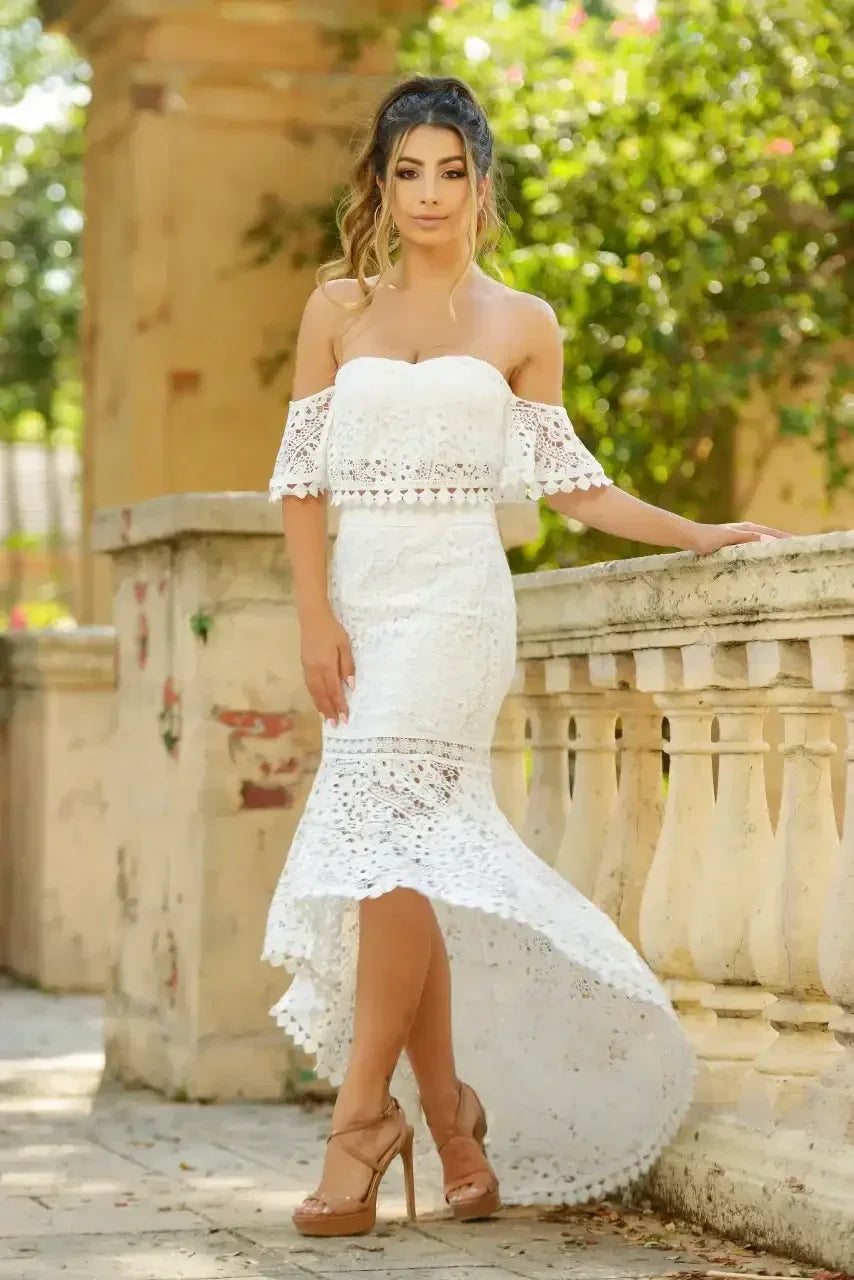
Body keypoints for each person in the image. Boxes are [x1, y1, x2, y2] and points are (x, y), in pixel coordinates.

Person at [261, 74, 787, 1240]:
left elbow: (575, 484)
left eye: (451, 169)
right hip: (362, 598)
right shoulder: (335, 308)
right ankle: (448, 1118)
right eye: (408, 170)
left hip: (454, 609)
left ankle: (359, 1119)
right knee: (399, 862)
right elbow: (300, 482)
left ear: (481, 181)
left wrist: (697, 532)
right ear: (381, 185)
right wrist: (313, 615)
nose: (430, 192)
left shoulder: (522, 322)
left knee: (392, 845)